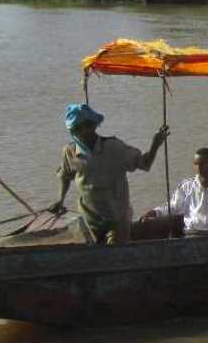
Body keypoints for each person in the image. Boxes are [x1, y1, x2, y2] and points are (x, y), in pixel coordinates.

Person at [52, 103, 169, 245]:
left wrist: (155, 144)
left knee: (116, 253)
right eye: (77, 129)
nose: (83, 132)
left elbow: (145, 164)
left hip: (116, 218)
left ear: (94, 125)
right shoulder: (69, 151)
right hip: (88, 218)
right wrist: (60, 200)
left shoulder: (114, 147)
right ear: (72, 131)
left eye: (87, 126)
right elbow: (65, 176)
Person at [142, 147, 208, 237]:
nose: (199, 168)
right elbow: (174, 206)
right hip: (192, 233)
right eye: (196, 164)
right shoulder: (187, 186)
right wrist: (155, 212)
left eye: (203, 164)